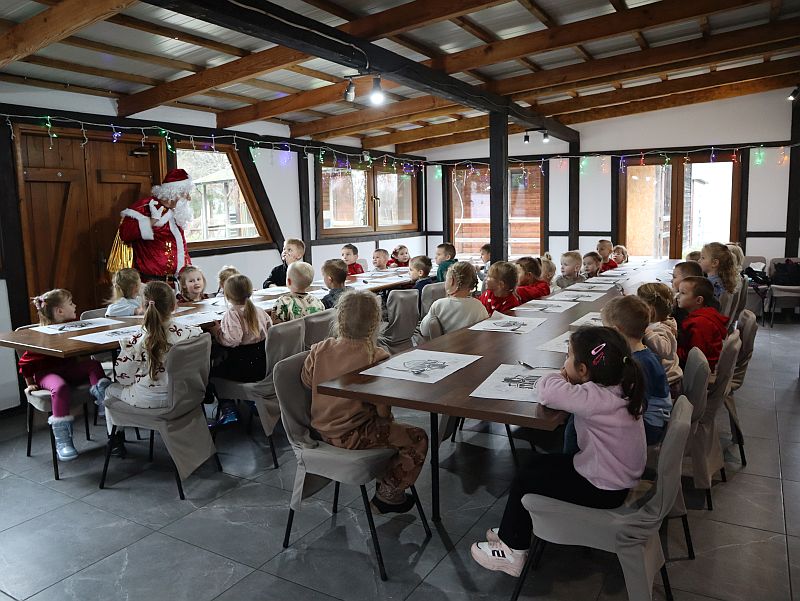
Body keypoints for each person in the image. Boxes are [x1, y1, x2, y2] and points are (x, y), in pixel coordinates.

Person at [471, 326, 646, 576]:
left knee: (526, 478)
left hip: (602, 488)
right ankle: (513, 528)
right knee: (534, 465)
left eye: (568, 356)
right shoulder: (619, 387)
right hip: (613, 478)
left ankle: (512, 551)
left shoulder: (595, 398)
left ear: (583, 370)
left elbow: (547, 391)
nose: (565, 362)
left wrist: (561, 375)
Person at [302, 290, 428, 513]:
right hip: (354, 435)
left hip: (321, 431)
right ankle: (388, 495)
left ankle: (385, 478)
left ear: (339, 319)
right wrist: (387, 419)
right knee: (417, 437)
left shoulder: (320, 349)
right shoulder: (375, 356)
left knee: (392, 431)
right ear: (376, 323)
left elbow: (306, 381)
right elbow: (382, 408)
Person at [106, 281, 202, 454]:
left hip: (149, 400)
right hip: (185, 395)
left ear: (143, 307)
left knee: (108, 390)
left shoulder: (137, 340)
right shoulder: (190, 333)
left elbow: (123, 378)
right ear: (174, 306)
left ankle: (115, 440)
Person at [19, 289, 111, 461]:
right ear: (60, 311)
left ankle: (104, 404)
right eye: (71, 303)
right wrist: (29, 383)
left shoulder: (71, 327)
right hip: (46, 374)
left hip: (68, 369)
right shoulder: (41, 334)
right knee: (60, 388)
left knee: (93, 365)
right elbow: (25, 363)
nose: (75, 305)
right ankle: (63, 441)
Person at [602, 296, 672, 445]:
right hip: (654, 420)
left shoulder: (640, 364)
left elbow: (637, 408)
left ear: (615, 332)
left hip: (650, 427)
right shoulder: (642, 353)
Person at [208, 274, 272, 426]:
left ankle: (229, 410)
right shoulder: (259, 310)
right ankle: (252, 402)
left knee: (212, 373)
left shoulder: (232, 314)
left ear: (227, 295)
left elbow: (233, 340)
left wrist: (217, 333)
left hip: (242, 368)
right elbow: (271, 330)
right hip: (263, 365)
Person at [119, 168, 194, 284]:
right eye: (186, 193)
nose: (189, 198)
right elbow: (125, 235)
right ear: (173, 193)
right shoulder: (145, 208)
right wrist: (152, 221)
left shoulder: (177, 212)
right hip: (152, 285)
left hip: (177, 284)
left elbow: (181, 248)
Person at [637, 282, 682, 398]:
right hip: (664, 378)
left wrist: (647, 332)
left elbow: (666, 351)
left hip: (668, 384)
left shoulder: (661, 328)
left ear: (650, 310)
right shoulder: (662, 321)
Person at [420, 262, 488, 336]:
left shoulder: (439, 305)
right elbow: (485, 329)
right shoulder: (478, 305)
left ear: (451, 281)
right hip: (472, 343)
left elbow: (425, 331)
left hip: (445, 343)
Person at [676, 276, 728, 371]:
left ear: (699, 300)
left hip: (698, 371)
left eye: (682, 293)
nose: (677, 296)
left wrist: (673, 351)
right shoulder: (705, 314)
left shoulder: (700, 324)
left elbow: (695, 356)